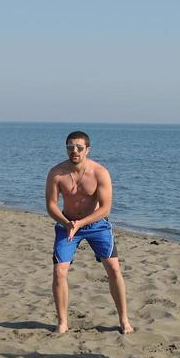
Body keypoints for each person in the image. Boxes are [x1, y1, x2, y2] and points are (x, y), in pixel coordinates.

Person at [44, 130, 132, 334]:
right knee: (59, 271)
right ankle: (63, 322)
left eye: (79, 148)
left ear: (87, 150)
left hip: (96, 225)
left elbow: (105, 208)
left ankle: (124, 320)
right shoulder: (56, 173)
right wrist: (68, 223)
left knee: (114, 269)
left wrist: (81, 223)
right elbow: (51, 205)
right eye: (70, 147)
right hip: (67, 224)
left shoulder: (99, 172)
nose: (74, 151)